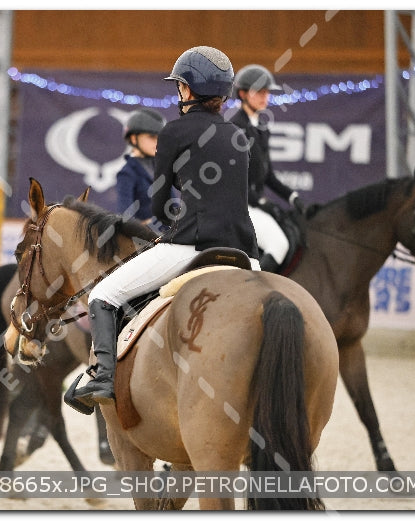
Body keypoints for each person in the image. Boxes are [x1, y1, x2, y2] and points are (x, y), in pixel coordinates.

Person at [65, 46, 260, 415]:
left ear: (188, 89)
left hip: (191, 246)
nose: (179, 92)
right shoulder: (238, 135)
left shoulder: (173, 131)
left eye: (180, 86)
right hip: (245, 252)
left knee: (103, 295)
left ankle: (103, 378)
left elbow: (158, 205)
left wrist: (171, 220)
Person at [228, 64, 304, 272]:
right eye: (259, 92)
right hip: (239, 205)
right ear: (243, 94)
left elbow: (268, 174)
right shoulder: (234, 128)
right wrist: (260, 201)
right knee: (279, 245)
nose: (265, 96)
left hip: (253, 205)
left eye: (267, 92)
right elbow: (233, 178)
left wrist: (292, 197)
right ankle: (250, 286)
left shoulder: (262, 128)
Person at [116, 108, 166, 230]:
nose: (157, 142)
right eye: (151, 137)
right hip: (145, 239)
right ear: (134, 138)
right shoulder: (127, 173)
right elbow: (125, 219)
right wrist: (151, 224)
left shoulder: (161, 168)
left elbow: (173, 204)